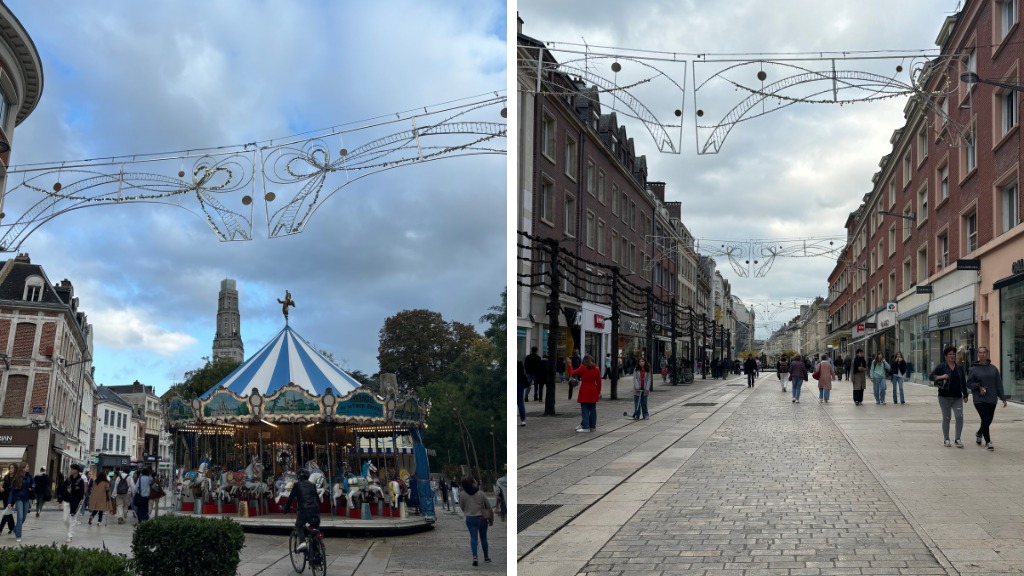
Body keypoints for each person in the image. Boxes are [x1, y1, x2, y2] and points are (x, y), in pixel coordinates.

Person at [966, 346, 1007, 450]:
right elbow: (969, 384)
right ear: (978, 355)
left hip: (992, 398)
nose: (982, 354)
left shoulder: (993, 369)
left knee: (988, 420)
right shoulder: (973, 369)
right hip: (979, 399)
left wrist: (1003, 398)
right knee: (985, 418)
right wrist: (978, 386)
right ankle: (988, 442)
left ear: (987, 354)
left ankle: (979, 433)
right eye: (980, 352)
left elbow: (998, 384)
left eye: (984, 352)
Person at [930, 345, 969, 448]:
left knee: (959, 416)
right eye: (950, 354)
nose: (952, 356)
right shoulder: (941, 367)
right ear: (946, 356)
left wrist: (965, 395)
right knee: (947, 418)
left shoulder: (959, 367)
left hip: (957, 397)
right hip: (944, 397)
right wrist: (941, 376)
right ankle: (946, 439)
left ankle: (957, 439)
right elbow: (931, 376)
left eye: (953, 354)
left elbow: (963, 382)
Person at [283, 469, 321, 552]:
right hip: (315, 511)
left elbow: (290, 499)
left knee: (298, 526)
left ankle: (303, 542)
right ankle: (317, 558)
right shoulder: (312, 485)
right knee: (315, 530)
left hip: (304, 511)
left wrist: (286, 509)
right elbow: (317, 500)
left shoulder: (297, 485)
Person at [458, 477, 492, 566]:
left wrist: (467, 511)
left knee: (473, 538)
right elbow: (488, 506)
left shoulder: (463, 494)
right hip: (481, 518)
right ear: (472, 483)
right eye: (475, 481)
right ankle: (486, 557)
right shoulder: (481, 493)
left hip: (470, 518)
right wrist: (490, 518)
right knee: (483, 538)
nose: (477, 482)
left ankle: (475, 557)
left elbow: (462, 506)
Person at [568, 354, 602, 432]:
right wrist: (599, 392)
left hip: (585, 390)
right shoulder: (596, 369)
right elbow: (599, 382)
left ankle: (586, 427)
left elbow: (572, 373)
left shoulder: (583, 368)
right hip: (593, 390)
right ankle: (592, 426)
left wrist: (569, 364)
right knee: (593, 409)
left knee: (584, 409)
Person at [56, 463, 85, 544]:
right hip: (67, 500)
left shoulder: (80, 481)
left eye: (72, 469)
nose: (71, 471)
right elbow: (63, 490)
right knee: (65, 519)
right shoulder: (68, 480)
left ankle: (70, 536)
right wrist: (60, 500)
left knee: (73, 519)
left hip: (76, 502)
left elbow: (81, 492)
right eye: (71, 469)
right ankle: (70, 530)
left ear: (76, 470)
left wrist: (73, 489)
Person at [6, 462, 33, 543]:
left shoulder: (29, 476)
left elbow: (34, 483)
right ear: (23, 468)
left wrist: (32, 487)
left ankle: (15, 529)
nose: (28, 467)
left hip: (26, 499)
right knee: (20, 517)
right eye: (27, 466)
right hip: (19, 499)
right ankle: (18, 535)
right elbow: (12, 491)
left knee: (24, 518)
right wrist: (9, 502)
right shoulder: (17, 478)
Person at [0, 464, 16, 535]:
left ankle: (0, 529)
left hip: (12, 497)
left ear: (15, 469)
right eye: (10, 468)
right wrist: (1, 488)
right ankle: (12, 528)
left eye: (12, 468)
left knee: (7, 512)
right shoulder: (6, 476)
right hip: (4, 496)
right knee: (8, 512)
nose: (10, 469)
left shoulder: (16, 478)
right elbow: (1, 484)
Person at [516, 360, 527, 427]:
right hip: (519, 384)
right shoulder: (519, 363)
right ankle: (523, 420)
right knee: (520, 402)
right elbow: (522, 374)